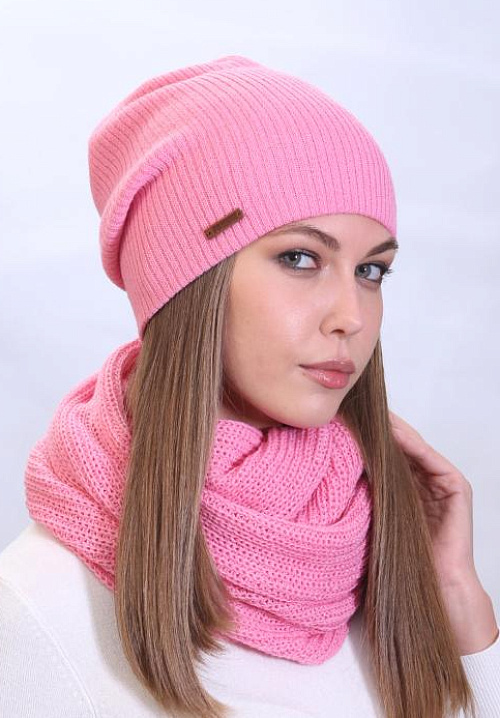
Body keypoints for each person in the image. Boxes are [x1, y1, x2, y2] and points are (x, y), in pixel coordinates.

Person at [0, 54, 498, 718]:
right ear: (190, 283)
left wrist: (461, 606)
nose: (351, 315)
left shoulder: (371, 553)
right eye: (300, 257)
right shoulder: (37, 612)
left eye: (371, 271)